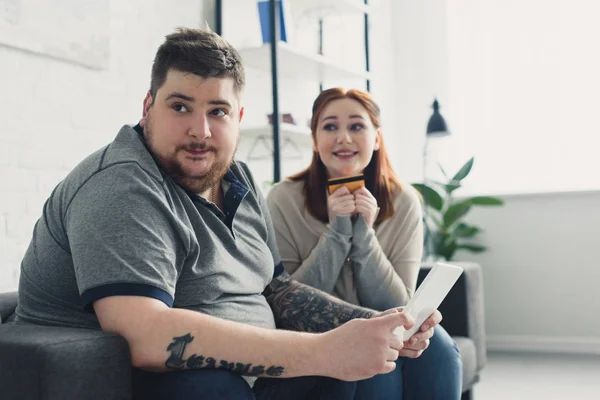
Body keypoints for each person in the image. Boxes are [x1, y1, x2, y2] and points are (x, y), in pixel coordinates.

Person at [12, 28, 439, 400]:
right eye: (180, 107)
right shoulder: (122, 183)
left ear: (238, 117)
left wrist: (370, 323)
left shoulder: (238, 176)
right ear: (148, 108)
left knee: (398, 353)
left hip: (252, 368)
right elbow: (143, 335)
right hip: (141, 374)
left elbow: (278, 289)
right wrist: (325, 351)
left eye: (217, 111)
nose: (200, 131)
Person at [266, 87, 463, 399]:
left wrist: (365, 234)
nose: (343, 137)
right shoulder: (283, 199)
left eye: (356, 126)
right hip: (321, 335)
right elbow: (286, 305)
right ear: (315, 141)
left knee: (437, 346)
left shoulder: (404, 201)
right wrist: (337, 231)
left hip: (386, 328)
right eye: (330, 126)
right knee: (375, 363)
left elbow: (398, 304)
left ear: (376, 138)